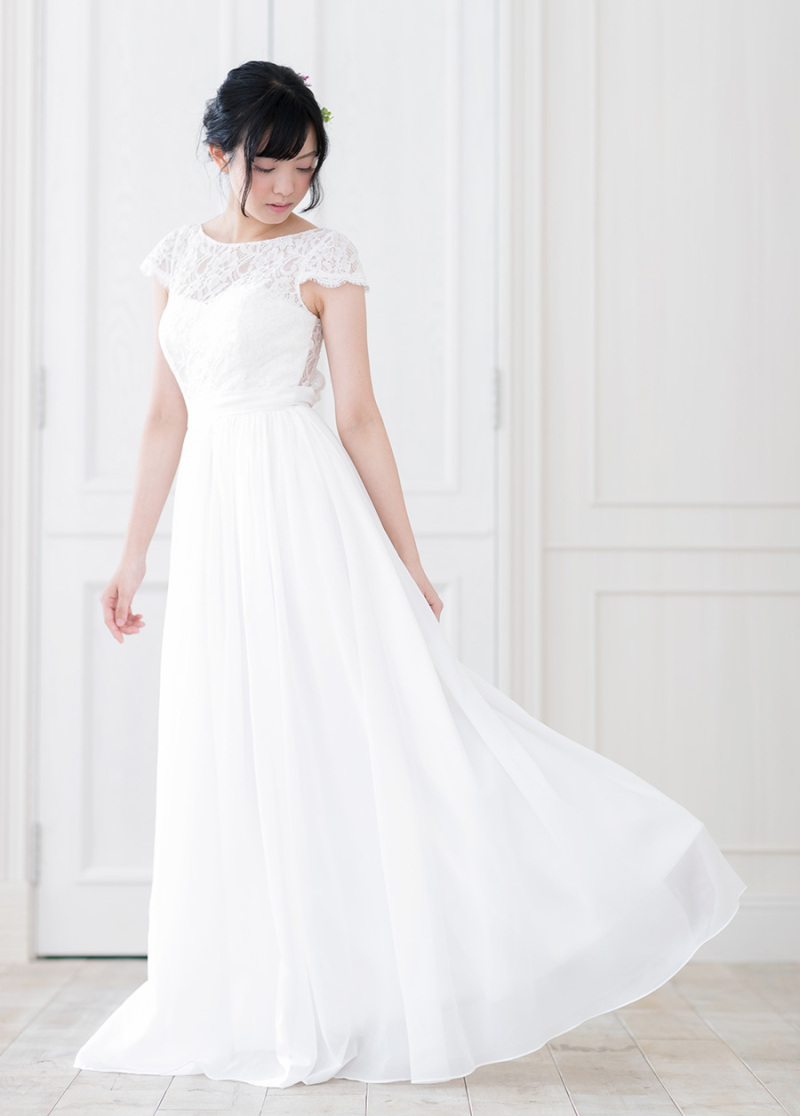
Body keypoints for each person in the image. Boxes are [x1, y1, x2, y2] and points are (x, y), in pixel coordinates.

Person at [73, 60, 745, 1089]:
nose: (288, 186)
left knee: (364, 732)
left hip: (304, 515)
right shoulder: (174, 258)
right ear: (219, 154)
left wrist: (407, 558)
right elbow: (166, 416)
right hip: (214, 527)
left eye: (305, 167)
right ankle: (257, 989)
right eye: (269, 166)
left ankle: (585, 887)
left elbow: (357, 417)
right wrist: (132, 557)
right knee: (234, 735)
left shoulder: (325, 260)